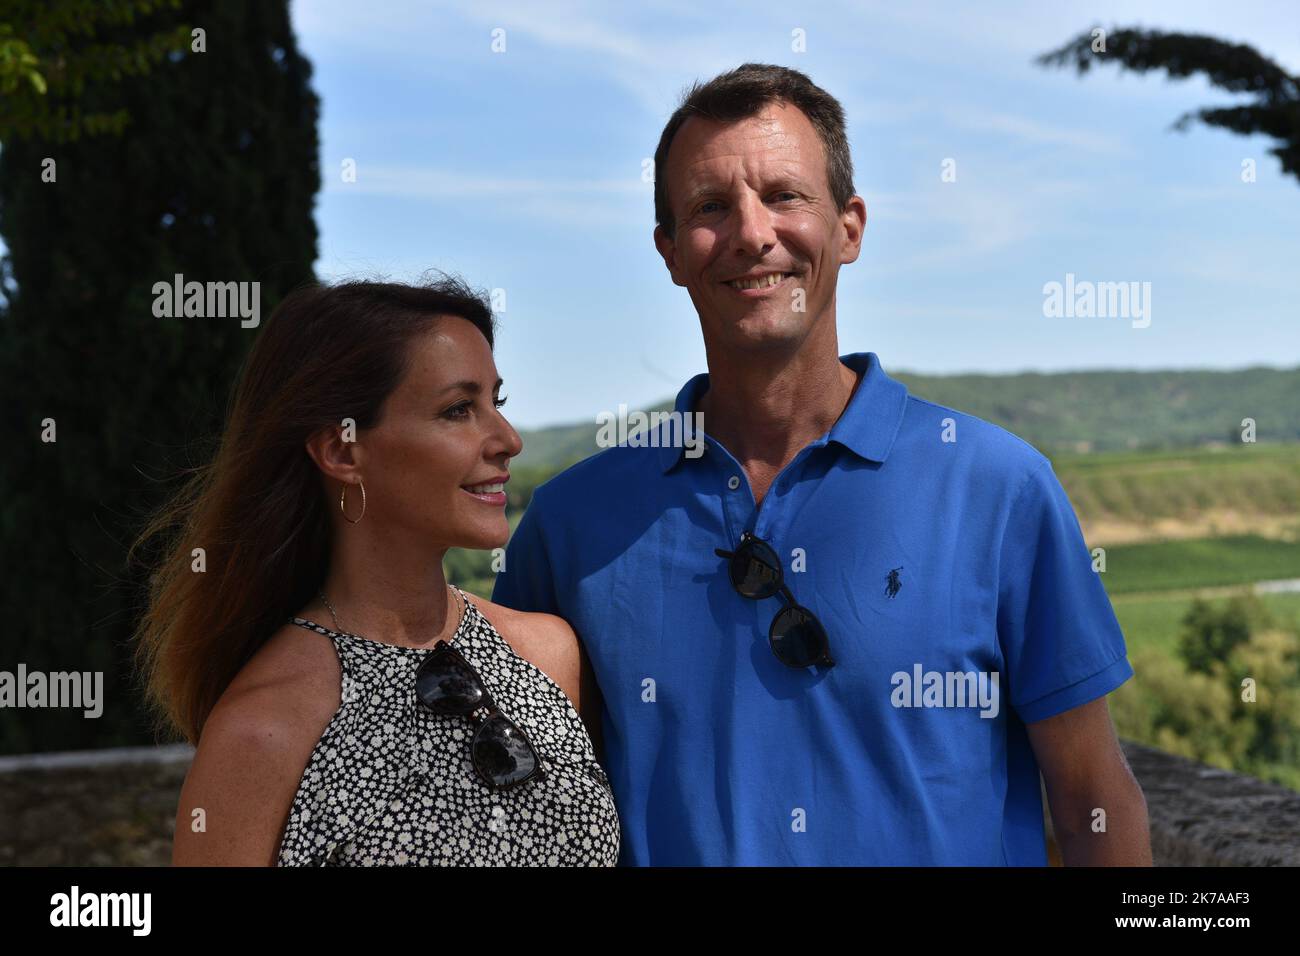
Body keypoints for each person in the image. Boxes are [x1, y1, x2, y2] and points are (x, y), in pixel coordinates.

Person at [492, 63, 1152, 865]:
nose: (750, 232)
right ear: (668, 251)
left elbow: (1092, 797)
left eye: (784, 195)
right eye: (709, 208)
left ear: (850, 227)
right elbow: (528, 818)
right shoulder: (570, 527)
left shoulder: (999, 491)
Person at [133, 277, 619, 866]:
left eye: (499, 402)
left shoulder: (549, 657)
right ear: (342, 452)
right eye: (459, 409)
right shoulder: (263, 730)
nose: (507, 439)